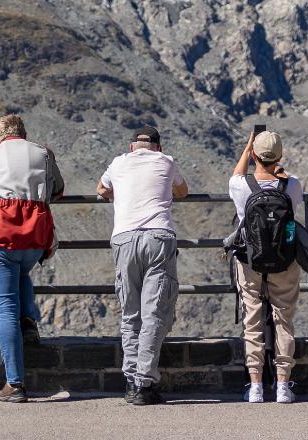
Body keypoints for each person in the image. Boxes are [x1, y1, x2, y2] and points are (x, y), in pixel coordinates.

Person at [0, 113, 64, 404]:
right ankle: (29, 320)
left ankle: (14, 384)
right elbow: (57, 188)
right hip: (35, 237)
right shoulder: (44, 153)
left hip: (2, 234)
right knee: (22, 272)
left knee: (6, 309)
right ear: (23, 132)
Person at [97, 126, 189, 406]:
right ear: (158, 147)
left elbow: (101, 189)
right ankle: (144, 383)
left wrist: (122, 195)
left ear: (131, 146)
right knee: (153, 313)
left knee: (130, 313)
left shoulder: (118, 162)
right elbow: (183, 192)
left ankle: (129, 381)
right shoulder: (167, 161)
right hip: (158, 239)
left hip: (124, 240)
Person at [228, 130, 306, 405]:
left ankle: (256, 386)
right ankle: (283, 385)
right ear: (281, 156)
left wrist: (247, 148)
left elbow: (238, 175)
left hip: (250, 261)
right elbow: (291, 194)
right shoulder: (293, 185)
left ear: (253, 155)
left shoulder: (241, 186)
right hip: (285, 261)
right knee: (284, 320)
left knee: (252, 321)